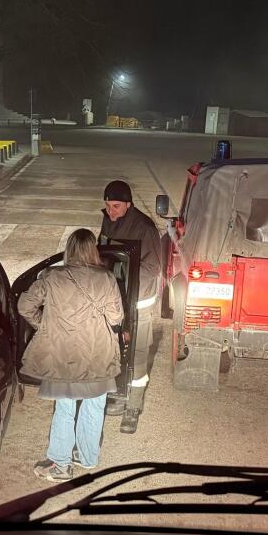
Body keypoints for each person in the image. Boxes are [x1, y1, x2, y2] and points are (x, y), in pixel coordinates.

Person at [20, 229, 124, 482]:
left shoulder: (52, 276)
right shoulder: (106, 278)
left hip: (62, 352)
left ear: (69, 249)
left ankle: (61, 465)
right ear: (93, 250)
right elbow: (116, 318)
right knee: (95, 405)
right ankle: (88, 458)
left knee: (65, 408)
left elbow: (24, 305)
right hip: (97, 351)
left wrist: (43, 324)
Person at [98, 179, 162, 434]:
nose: (111, 211)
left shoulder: (144, 228)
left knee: (137, 353)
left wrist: (125, 285)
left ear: (128, 205)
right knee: (111, 347)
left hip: (137, 303)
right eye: (107, 206)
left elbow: (151, 268)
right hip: (112, 299)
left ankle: (133, 407)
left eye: (115, 206)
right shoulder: (107, 220)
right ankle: (114, 395)